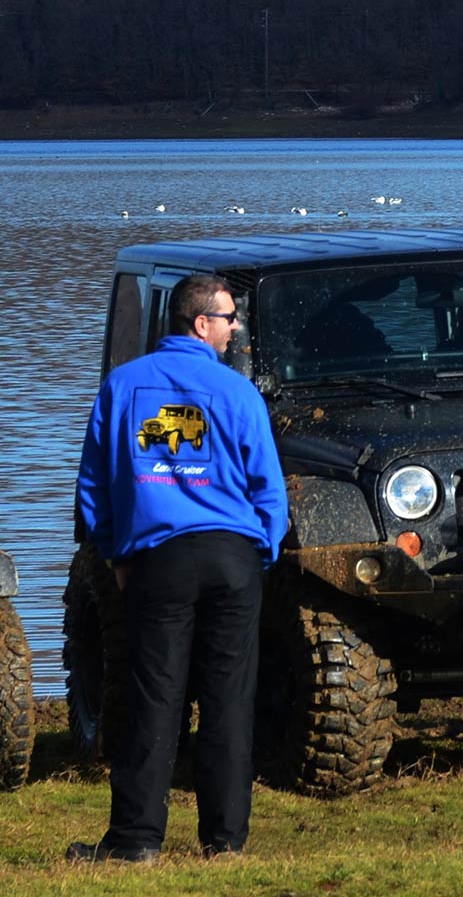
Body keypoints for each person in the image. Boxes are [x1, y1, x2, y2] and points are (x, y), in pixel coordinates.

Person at [69, 274, 288, 864]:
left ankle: (137, 840)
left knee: (152, 699)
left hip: (157, 560)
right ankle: (224, 843)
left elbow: (93, 489)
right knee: (228, 700)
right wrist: (259, 555)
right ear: (200, 323)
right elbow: (270, 491)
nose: (235, 326)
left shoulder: (122, 386)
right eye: (229, 316)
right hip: (233, 558)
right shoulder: (238, 393)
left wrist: (118, 556)